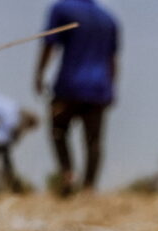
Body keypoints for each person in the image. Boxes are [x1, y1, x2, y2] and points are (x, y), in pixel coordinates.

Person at [34, 0, 119, 198]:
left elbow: (49, 42)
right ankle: (89, 187)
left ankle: (68, 173)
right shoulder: (108, 18)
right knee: (94, 140)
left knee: (58, 130)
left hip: (69, 84)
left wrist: (39, 73)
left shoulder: (62, 9)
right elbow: (112, 59)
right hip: (100, 87)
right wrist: (112, 88)